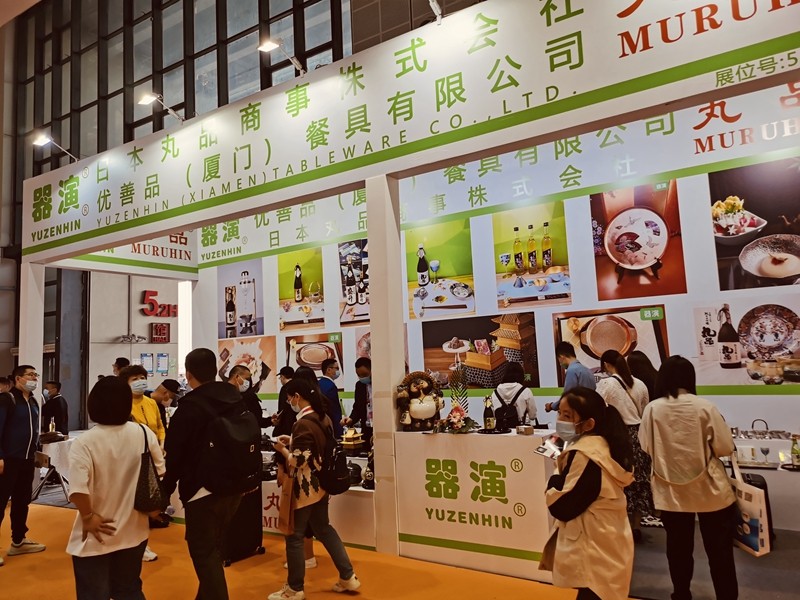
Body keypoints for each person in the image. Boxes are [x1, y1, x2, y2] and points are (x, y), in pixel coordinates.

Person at [639, 356, 738, 600]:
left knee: (678, 549)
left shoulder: (653, 409)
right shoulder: (705, 407)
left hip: (670, 491)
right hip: (710, 491)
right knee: (720, 552)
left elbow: (645, 445)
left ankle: (681, 593)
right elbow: (725, 447)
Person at [67, 376, 165, 600]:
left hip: (97, 530)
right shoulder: (143, 433)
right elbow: (160, 471)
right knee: (128, 589)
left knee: (94, 593)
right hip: (134, 527)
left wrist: (88, 516)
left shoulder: (85, 442)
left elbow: (78, 489)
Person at [162, 348, 246, 600]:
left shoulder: (189, 408)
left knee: (203, 553)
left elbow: (174, 455)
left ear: (188, 374)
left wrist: (164, 494)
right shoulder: (235, 400)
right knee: (214, 548)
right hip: (235, 485)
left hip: (202, 489)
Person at [270, 378, 360, 600]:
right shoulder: (322, 417)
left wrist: (282, 449)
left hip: (304, 488)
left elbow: (298, 461)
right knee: (324, 528)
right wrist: (293, 440)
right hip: (321, 485)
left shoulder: (302, 423)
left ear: (297, 397)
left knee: (294, 536)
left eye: (289, 398)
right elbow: (314, 447)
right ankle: (348, 576)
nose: (289, 402)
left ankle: (294, 588)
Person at [541, 387, 634, 600]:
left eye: (567, 416)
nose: (560, 420)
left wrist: (555, 479)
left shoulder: (586, 454)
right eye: (559, 413)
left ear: (589, 424)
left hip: (595, 546)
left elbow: (563, 507)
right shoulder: (604, 444)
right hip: (609, 538)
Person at [596, 350, 652, 542]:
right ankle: (636, 526)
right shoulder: (640, 384)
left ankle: (620, 525)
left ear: (606, 364)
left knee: (617, 481)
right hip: (639, 436)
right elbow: (644, 410)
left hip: (616, 436)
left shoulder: (606, 384)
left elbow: (598, 410)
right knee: (638, 481)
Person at [0, 365, 46, 565]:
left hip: (26, 460)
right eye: (30, 375)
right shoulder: (7, 399)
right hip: (8, 460)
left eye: (36, 375)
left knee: (22, 501)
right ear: (18, 378)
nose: (34, 378)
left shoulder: (33, 401)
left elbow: (33, 430)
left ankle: (18, 541)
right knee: (0, 502)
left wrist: (36, 452)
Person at [119, 365, 164, 560]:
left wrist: (161, 445)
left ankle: (140, 543)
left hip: (153, 456)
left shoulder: (151, 402)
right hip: (132, 458)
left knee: (146, 502)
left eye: (142, 377)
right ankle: (134, 544)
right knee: (132, 502)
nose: (140, 381)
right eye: (134, 379)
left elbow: (160, 427)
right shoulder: (122, 404)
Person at [545, 341, 595, 413]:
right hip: (589, 411)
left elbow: (567, 396)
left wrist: (551, 406)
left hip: (578, 412)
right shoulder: (588, 370)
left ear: (561, 357)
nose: (560, 364)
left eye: (559, 360)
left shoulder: (572, 371)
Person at [491, 362, 537, 427]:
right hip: (520, 430)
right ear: (521, 375)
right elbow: (532, 416)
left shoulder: (495, 393)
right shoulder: (525, 391)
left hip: (500, 430)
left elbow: (491, 415)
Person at [341, 357, 374, 446]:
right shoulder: (359, 385)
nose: (362, 377)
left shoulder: (381, 384)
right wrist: (351, 419)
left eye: (365, 374)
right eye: (359, 375)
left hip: (380, 427)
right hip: (366, 429)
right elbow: (357, 407)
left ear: (372, 370)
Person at [318, 359, 344, 439]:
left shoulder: (318, 383)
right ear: (329, 370)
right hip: (331, 425)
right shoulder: (331, 386)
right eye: (337, 368)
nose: (338, 371)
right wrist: (339, 429)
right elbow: (334, 410)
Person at [272, 366, 296, 437]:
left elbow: (282, 407)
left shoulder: (284, 388)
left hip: (286, 421)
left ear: (282, 376)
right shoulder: (296, 385)